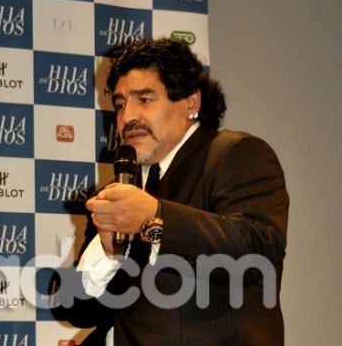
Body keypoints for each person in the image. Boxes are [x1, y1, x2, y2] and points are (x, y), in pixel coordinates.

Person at [52, 38, 289, 345]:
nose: (127, 117)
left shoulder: (235, 154)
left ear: (191, 103)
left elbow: (258, 252)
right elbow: (82, 311)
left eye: (145, 100)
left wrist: (154, 217)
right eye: (121, 103)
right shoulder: (121, 191)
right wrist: (108, 256)